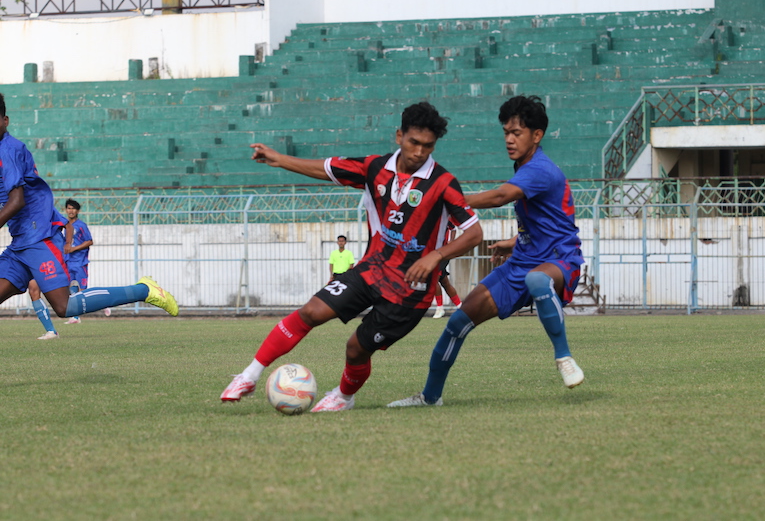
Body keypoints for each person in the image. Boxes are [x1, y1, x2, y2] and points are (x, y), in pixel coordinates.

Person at [220, 102, 483, 412]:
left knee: (356, 348)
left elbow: (474, 233)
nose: (419, 152)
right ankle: (249, 375)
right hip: (372, 270)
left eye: (428, 146)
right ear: (399, 136)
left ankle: (343, 397)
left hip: (409, 292)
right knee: (311, 312)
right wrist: (279, 159)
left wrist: (434, 257)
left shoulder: (442, 182)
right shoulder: (374, 168)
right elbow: (326, 168)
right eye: (414, 142)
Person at [388, 95, 585, 408]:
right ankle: (430, 397)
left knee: (537, 280)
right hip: (522, 261)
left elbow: (499, 196)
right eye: (506, 132)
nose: (509, 139)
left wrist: (446, 199)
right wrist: (515, 240)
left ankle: (564, 357)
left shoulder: (540, 169)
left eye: (517, 133)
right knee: (457, 323)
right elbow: (548, 218)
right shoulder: (526, 167)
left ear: (537, 135)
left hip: (559, 259)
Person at [0, 92, 179, 321]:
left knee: (65, 306)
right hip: (21, 241)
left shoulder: (8, 149)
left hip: (39, 236)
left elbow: (17, 200)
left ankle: (144, 291)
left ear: (5, 120)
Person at [62, 198, 111, 323]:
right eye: (69, 208)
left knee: (83, 291)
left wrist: (74, 249)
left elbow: (89, 241)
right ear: (66, 210)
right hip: (68, 261)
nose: (71, 211)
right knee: (70, 289)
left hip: (80, 262)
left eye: (73, 208)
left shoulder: (81, 225)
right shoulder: (65, 226)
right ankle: (75, 317)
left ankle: (103, 302)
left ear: (77, 211)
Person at [432, 221, 462, 319]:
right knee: (444, 282)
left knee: (433, 279)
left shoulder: (443, 218)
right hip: (433, 254)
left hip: (444, 253)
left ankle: (440, 308)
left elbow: (453, 228)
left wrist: (451, 241)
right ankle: (461, 306)